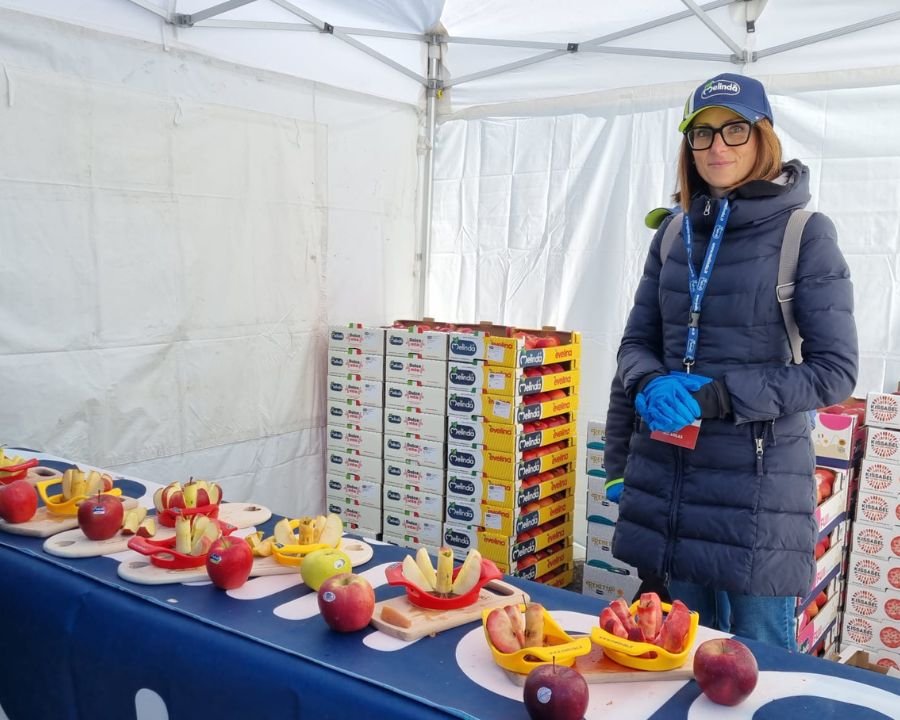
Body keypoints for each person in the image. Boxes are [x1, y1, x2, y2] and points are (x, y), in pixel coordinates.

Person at [610, 73, 858, 651]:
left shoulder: (805, 233)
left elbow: (835, 371)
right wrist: (645, 388)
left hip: (755, 500)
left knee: (756, 666)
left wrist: (718, 395)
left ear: (761, 137)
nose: (717, 146)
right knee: (674, 661)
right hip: (669, 485)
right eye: (701, 134)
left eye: (734, 129)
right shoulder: (673, 233)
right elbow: (635, 343)